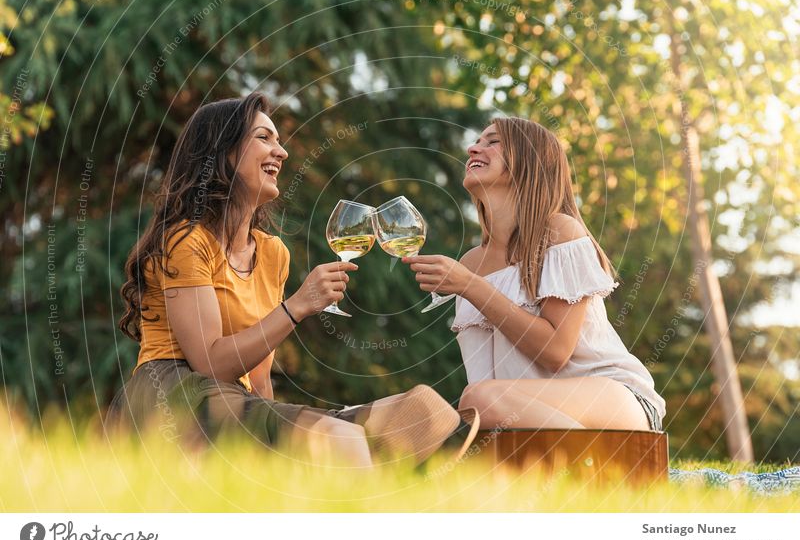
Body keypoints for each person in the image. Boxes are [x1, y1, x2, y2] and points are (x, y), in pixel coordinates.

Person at [107, 92, 475, 466]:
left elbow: (258, 374)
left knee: (425, 413)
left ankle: (356, 482)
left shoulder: (271, 252)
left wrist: (275, 424)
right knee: (342, 439)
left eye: (279, 141)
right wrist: (297, 306)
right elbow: (210, 364)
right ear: (222, 151)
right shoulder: (187, 241)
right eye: (263, 138)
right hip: (171, 395)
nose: (281, 152)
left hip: (233, 399)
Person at [403, 117, 665, 432]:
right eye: (477, 141)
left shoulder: (559, 232)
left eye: (493, 142)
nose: (473, 148)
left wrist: (471, 287)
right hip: (526, 414)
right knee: (474, 402)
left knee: (478, 401)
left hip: (614, 398)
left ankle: (607, 467)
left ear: (530, 161)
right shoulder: (472, 262)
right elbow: (488, 378)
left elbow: (555, 352)